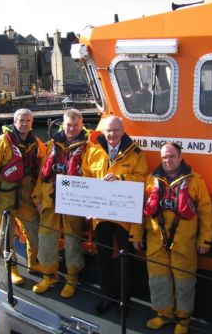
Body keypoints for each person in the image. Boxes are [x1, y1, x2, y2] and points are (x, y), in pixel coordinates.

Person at [133, 142, 212, 334]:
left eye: (171, 156)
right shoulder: (151, 180)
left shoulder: (195, 180)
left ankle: (183, 319)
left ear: (180, 157)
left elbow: (206, 211)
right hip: (155, 240)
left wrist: (205, 239)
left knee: (184, 281)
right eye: (164, 157)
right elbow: (140, 208)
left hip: (184, 242)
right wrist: (136, 234)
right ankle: (163, 314)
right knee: (158, 278)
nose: (168, 161)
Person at [81, 115, 148, 316]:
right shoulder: (93, 151)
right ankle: (107, 296)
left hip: (124, 215)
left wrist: (120, 178)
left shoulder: (135, 153)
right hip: (101, 214)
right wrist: (87, 203)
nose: (112, 134)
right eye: (108, 131)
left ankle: (124, 299)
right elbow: (86, 176)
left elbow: (142, 178)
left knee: (125, 257)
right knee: (103, 257)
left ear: (122, 130)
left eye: (116, 130)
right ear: (103, 132)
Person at [0, 108, 45, 285]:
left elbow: (45, 158)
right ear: (14, 121)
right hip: (5, 196)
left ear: (32, 123)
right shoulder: (1, 141)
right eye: (21, 120)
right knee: (5, 235)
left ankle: (34, 262)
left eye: (28, 120)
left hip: (27, 195)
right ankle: (12, 269)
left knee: (34, 230)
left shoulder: (36, 142)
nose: (24, 123)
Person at [32, 109, 88, 297]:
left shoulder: (89, 147)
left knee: (73, 239)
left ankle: (72, 278)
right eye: (68, 125)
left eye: (75, 125)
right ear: (63, 125)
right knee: (46, 237)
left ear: (81, 125)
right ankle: (49, 275)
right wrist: (38, 197)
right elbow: (42, 173)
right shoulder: (52, 145)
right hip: (50, 198)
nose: (72, 129)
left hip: (73, 200)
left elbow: (93, 173)